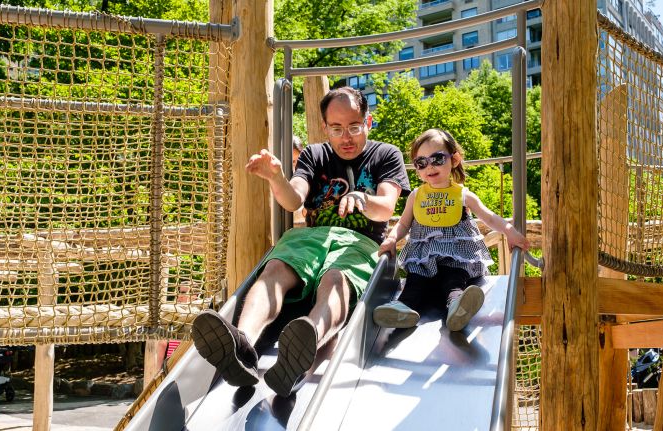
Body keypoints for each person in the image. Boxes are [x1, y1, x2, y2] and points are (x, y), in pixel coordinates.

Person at [191, 87, 410, 397]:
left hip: (358, 241)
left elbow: (387, 205)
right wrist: (276, 178)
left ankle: (310, 337)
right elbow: (294, 200)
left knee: (336, 279)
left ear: (368, 122)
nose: (345, 136)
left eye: (353, 126)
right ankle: (243, 345)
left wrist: (362, 197)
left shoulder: (385, 154)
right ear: (325, 127)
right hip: (310, 237)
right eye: (336, 128)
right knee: (276, 268)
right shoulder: (314, 154)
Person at [374, 128, 530, 332]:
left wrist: (510, 231)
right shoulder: (416, 196)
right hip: (424, 260)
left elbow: (489, 217)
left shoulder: (463, 195)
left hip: (455, 258)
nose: (429, 166)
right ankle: (404, 308)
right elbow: (403, 224)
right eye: (421, 162)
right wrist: (392, 238)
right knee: (415, 281)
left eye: (437, 159)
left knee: (453, 280)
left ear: (454, 159)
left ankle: (457, 306)